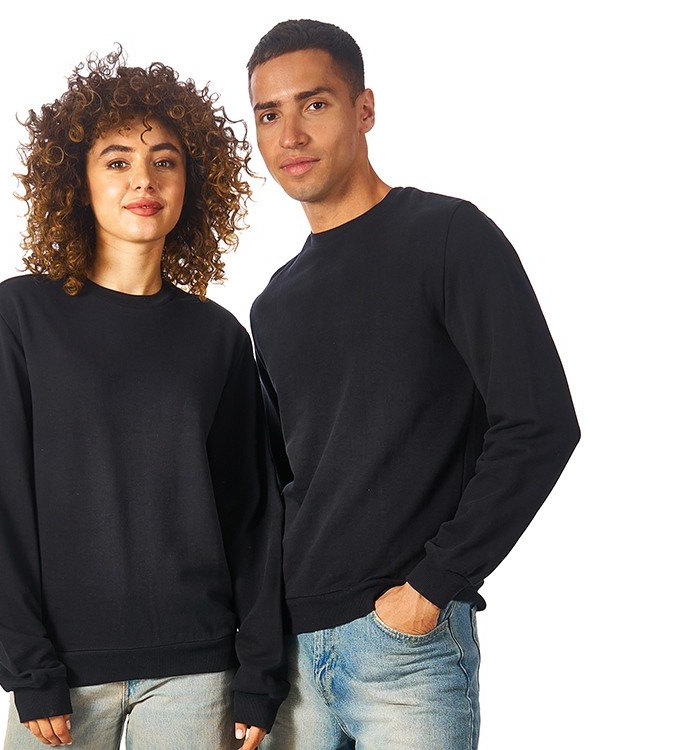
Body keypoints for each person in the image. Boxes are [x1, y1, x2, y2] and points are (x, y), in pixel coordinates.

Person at [245, 19, 581, 750]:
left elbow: (539, 423)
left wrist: (434, 585)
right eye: (268, 115)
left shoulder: (448, 237)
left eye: (314, 104)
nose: (291, 134)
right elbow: (280, 485)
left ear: (364, 109)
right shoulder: (272, 303)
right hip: (294, 655)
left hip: (405, 648)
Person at [0, 48, 286, 750]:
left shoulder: (219, 339)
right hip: (62, 675)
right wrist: (29, 668)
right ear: (78, 183)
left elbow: (253, 522)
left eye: (164, 160)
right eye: (117, 161)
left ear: (191, 182)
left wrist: (260, 677)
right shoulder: (18, 317)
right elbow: (0, 506)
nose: (143, 179)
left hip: (198, 673)